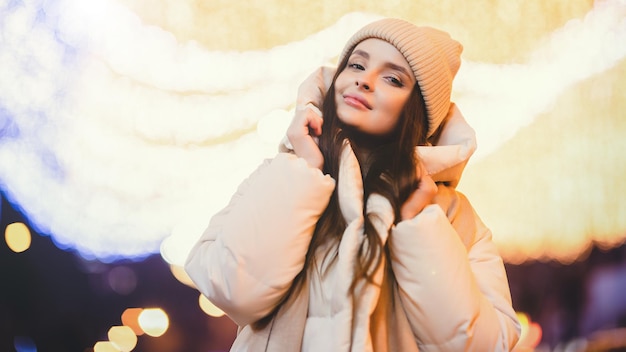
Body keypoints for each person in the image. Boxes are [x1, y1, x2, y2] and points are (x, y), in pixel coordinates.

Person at [185, 18, 521, 351]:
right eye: (357, 64)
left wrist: (417, 224)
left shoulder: (451, 215)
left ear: (416, 110)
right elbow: (232, 290)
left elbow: (487, 344)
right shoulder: (281, 174)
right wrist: (304, 170)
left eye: (392, 78)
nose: (364, 81)